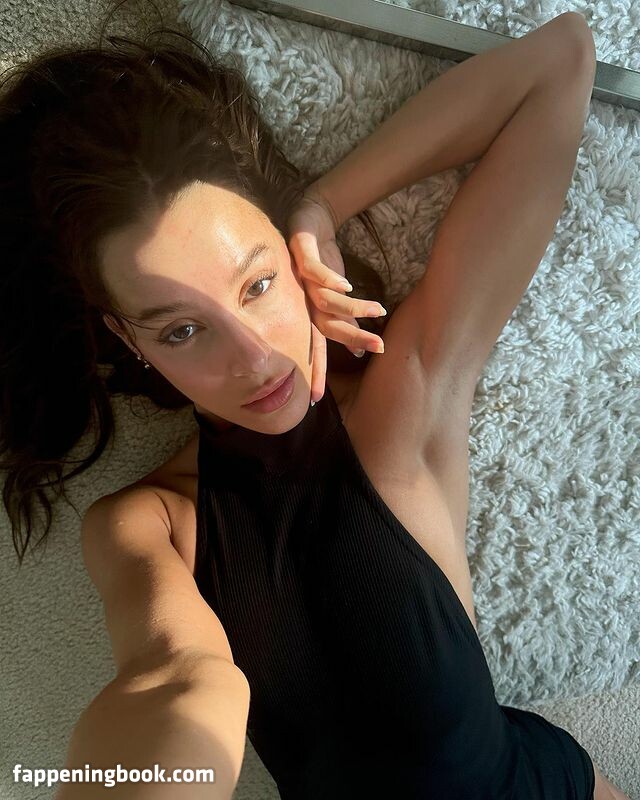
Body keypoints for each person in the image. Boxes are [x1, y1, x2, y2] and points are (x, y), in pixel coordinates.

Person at [0, 1, 629, 798]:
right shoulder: (150, 523)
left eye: (258, 284)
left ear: (295, 258)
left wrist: (323, 205)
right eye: (182, 330)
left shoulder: (402, 396)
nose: (255, 357)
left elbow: (562, 57)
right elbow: (174, 680)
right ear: (129, 340)